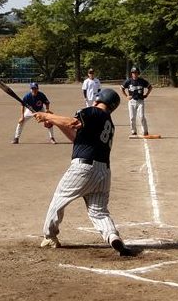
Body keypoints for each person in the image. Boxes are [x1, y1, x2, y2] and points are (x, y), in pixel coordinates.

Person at [33, 88, 135, 256]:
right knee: (99, 211)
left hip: (83, 168)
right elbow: (76, 137)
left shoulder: (93, 111)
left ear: (97, 99)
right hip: (103, 172)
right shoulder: (108, 122)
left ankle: (50, 236)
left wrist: (47, 116)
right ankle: (112, 236)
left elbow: (71, 123)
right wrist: (54, 119)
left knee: (59, 199)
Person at [121, 67, 152, 137]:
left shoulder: (142, 81)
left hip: (140, 101)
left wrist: (146, 94)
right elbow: (122, 88)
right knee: (132, 117)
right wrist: (126, 96)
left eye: (136, 73)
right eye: (133, 73)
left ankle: (145, 131)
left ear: (138, 73)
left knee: (141, 116)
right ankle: (134, 131)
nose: (135, 74)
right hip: (131, 101)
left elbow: (150, 87)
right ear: (131, 74)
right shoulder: (128, 81)